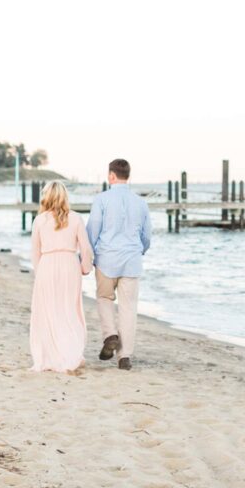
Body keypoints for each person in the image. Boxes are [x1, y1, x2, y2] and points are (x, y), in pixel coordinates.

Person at [87, 158, 151, 370]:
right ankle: (124, 356)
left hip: (106, 259)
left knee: (104, 298)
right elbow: (146, 236)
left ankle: (110, 334)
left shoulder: (101, 199)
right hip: (131, 261)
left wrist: (87, 256)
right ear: (128, 176)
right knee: (129, 308)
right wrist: (138, 250)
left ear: (111, 176)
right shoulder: (141, 203)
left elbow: (93, 230)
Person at [29, 181, 93, 373]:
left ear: (46, 197)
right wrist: (85, 267)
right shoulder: (76, 218)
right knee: (69, 309)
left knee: (48, 311)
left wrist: (39, 272)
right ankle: (70, 353)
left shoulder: (39, 220)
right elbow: (86, 248)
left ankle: (50, 356)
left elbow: (35, 252)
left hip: (47, 265)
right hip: (69, 265)